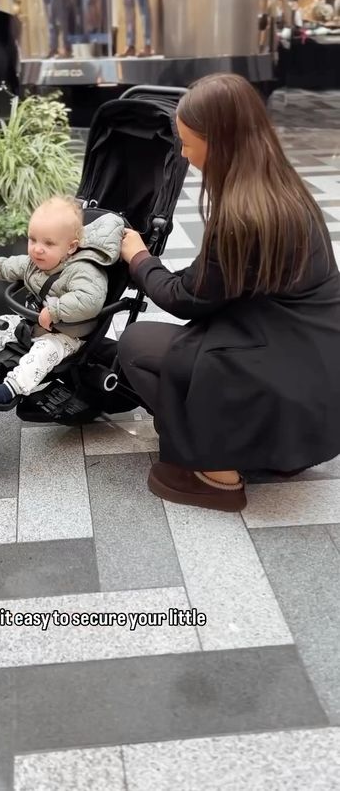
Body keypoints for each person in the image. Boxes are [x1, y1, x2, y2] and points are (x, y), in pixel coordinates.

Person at [118, 72, 340, 512]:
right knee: (194, 343)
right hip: (320, 380)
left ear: (216, 141)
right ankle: (270, 445)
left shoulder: (241, 214)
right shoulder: (282, 187)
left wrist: (139, 258)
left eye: (187, 142)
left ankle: (215, 472)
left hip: (281, 370)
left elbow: (185, 299)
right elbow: (216, 280)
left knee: (136, 345)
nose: (184, 152)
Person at [0, 196, 124, 403]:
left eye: (48, 243)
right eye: (32, 239)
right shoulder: (38, 261)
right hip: (32, 324)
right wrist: (0, 267)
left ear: (71, 247)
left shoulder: (84, 270)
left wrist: (55, 310)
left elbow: (89, 300)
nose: (37, 248)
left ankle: (11, 388)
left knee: (42, 353)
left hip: (66, 336)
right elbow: (20, 264)